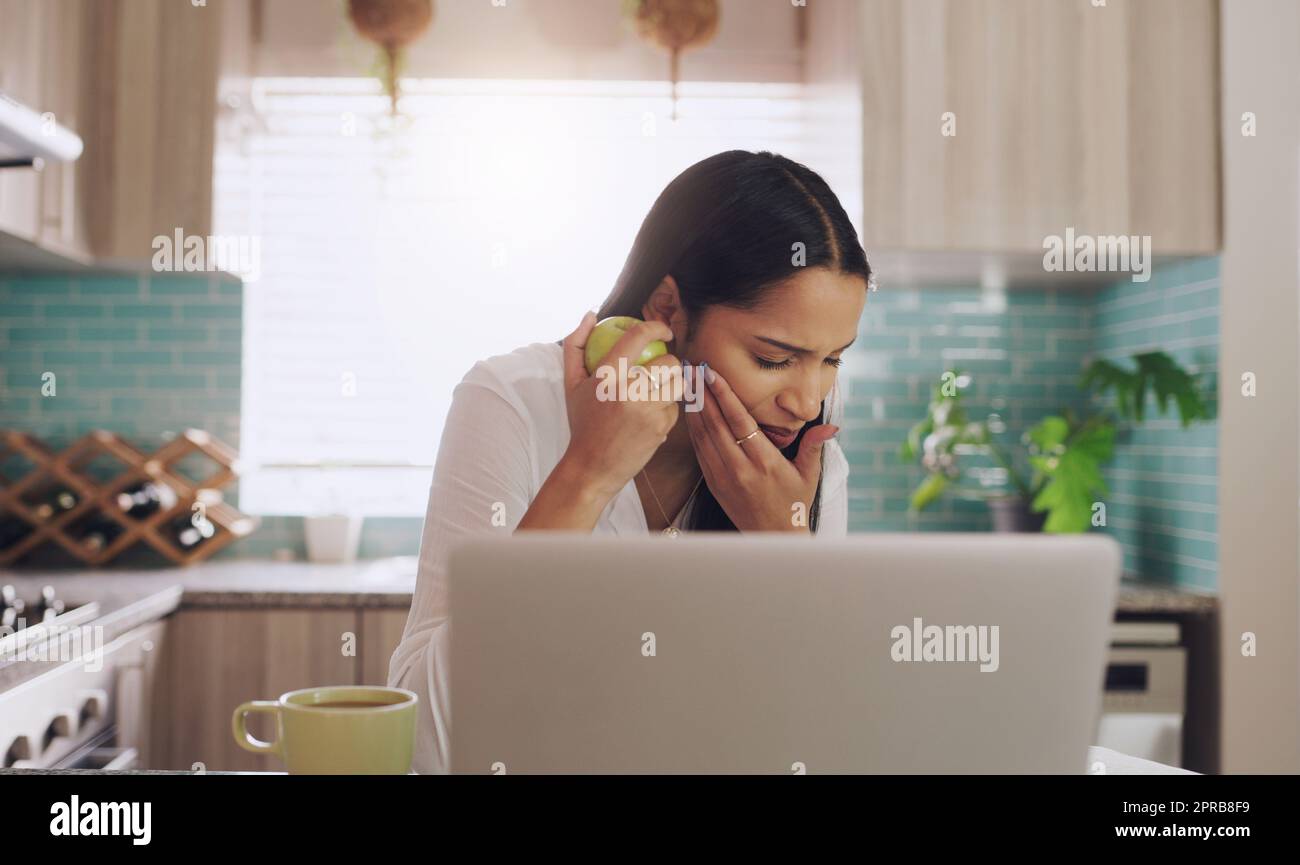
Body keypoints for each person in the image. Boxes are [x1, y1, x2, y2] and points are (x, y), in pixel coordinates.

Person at [388, 150, 873, 774]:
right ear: (668, 311)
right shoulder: (511, 402)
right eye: (774, 359)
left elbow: (825, 746)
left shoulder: (804, 467)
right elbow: (431, 743)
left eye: (833, 358)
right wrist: (587, 474)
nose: (806, 402)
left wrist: (782, 550)